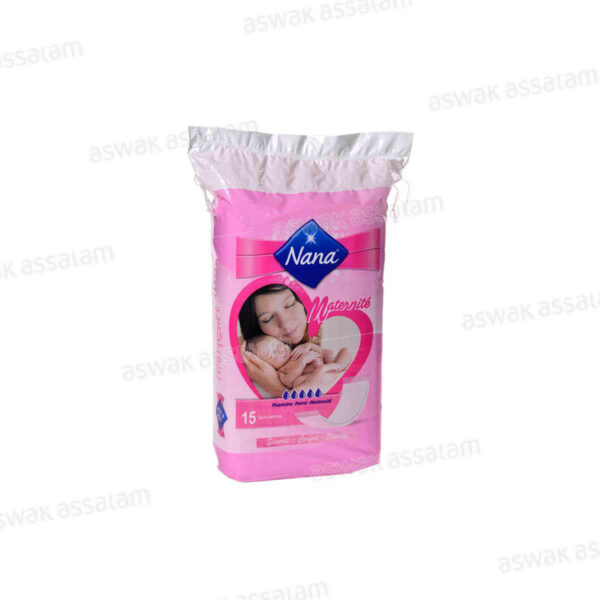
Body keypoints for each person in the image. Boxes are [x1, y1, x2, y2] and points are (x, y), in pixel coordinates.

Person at [238, 284, 350, 397]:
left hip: (329, 369)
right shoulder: (277, 368)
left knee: (345, 352)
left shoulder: (321, 330)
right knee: (299, 383)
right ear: (257, 329)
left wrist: (277, 389)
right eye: (268, 318)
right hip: (317, 381)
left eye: (289, 304)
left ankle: (337, 368)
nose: (285, 324)